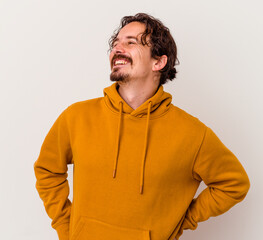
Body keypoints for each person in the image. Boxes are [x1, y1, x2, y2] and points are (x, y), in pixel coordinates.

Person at [34, 13, 250, 240]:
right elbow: (47, 170)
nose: (118, 49)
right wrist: (66, 227)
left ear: (159, 61)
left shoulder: (193, 134)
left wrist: (179, 221)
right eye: (116, 43)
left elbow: (234, 184)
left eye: (131, 42)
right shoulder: (76, 117)